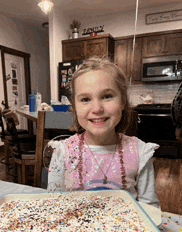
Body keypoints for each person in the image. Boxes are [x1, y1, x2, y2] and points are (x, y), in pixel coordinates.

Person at [47, 56, 160, 208]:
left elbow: (150, 208)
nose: (97, 109)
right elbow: (54, 205)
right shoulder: (62, 153)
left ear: (123, 102)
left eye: (107, 96)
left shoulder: (140, 153)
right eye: (85, 99)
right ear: (74, 106)